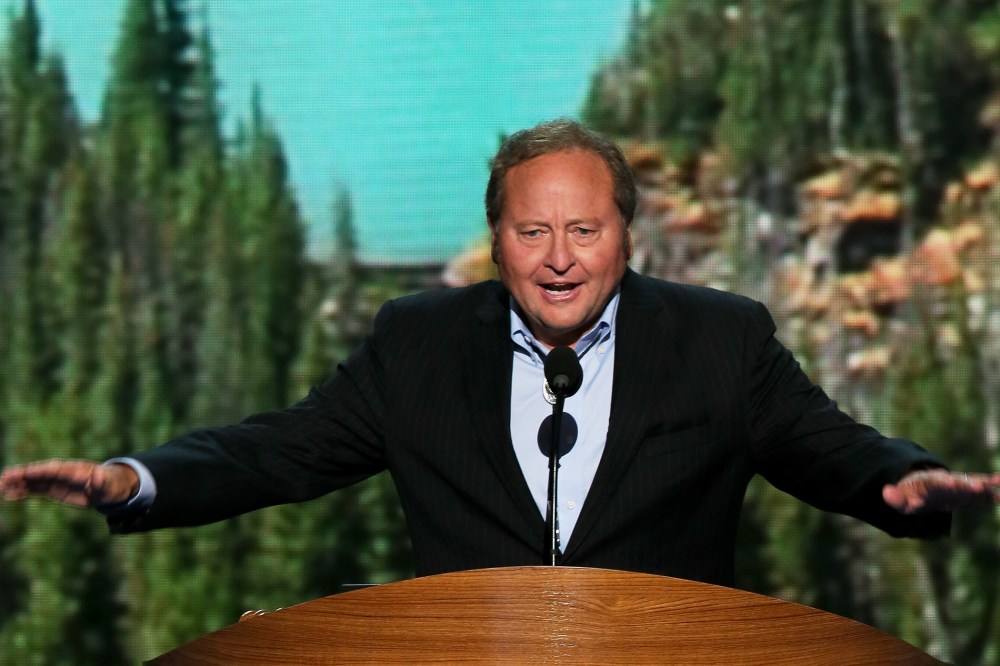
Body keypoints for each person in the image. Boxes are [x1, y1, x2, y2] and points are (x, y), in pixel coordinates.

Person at [2, 119, 998, 587]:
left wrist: (900, 480)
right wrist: (131, 481)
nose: (559, 260)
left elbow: (820, 443)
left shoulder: (719, 337)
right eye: (532, 233)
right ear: (495, 239)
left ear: (626, 235)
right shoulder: (420, 342)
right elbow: (277, 450)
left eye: (584, 232)